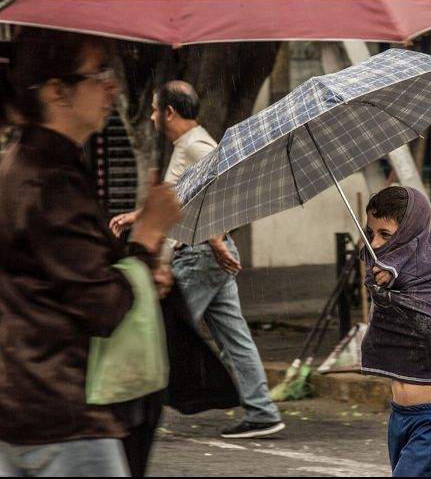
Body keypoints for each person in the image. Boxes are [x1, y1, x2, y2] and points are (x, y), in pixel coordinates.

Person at [0, 27, 181, 476]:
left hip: (21, 405)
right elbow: (101, 306)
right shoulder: (53, 181)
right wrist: (147, 238)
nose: (112, 86)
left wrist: (138, 267)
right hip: (66, 415)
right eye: (98, 73)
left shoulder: (18, 165)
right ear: (58, 91)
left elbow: (57, 280)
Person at [110, 81, 284, 439]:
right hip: (206, 257)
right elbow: (184, 194)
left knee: (158, 331)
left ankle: (133, 412)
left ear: (170, 113)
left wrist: (217, 238)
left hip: (199, 255)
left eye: (157, 109)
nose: (155, 116)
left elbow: (220, 189)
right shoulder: (185, 146)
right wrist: (137, 215)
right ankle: (262, 411)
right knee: (235, 338)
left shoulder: (197, 144)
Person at [360, 186, 431, 477]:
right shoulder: (384, 276)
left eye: (385, 235)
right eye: (371, 234)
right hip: (401, 416)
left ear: (410, 233)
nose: (376, 244)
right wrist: (385, 288)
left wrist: (391, 295)